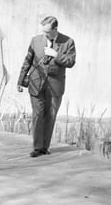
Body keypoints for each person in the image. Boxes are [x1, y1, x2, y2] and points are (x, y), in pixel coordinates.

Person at [17, 16, 76, 157]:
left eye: (48, 32)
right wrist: (20, 80)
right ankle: (37, 147)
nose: (45, 35)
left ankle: (45, 147)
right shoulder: (35, 40)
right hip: (36, 83)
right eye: (43, 31)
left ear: (55, 29)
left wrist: (56, 55)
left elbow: (71, 62)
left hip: (55, 85)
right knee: (37, 115)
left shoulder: (68, 42)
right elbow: (28, 60)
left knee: (50, 116)